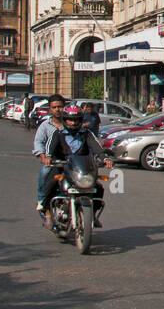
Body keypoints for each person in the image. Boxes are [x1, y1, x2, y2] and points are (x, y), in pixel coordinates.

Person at [40, 105, 112, 228]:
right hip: (63, 167)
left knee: (98, 188)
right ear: (65, 120)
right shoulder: (58, 134)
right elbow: (49, 149)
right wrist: (48, 158)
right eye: (70, 120)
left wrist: (105, 158)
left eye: (76, 120)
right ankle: (47, 212)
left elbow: (97, 148)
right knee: (50, 183)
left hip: (81, 169)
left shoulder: (87, 134)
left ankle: (92, 215)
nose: (73, 123)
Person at [33, 94, 67, 222]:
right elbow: (38, 142)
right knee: (45, 173)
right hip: (53, 161)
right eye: (55, 107)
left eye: (60, 107)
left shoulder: (71, 123)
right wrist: (44, 157)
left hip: (71, 161)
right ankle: (43, 202)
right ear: (50, 109)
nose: (58, 110)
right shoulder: (45, 125)